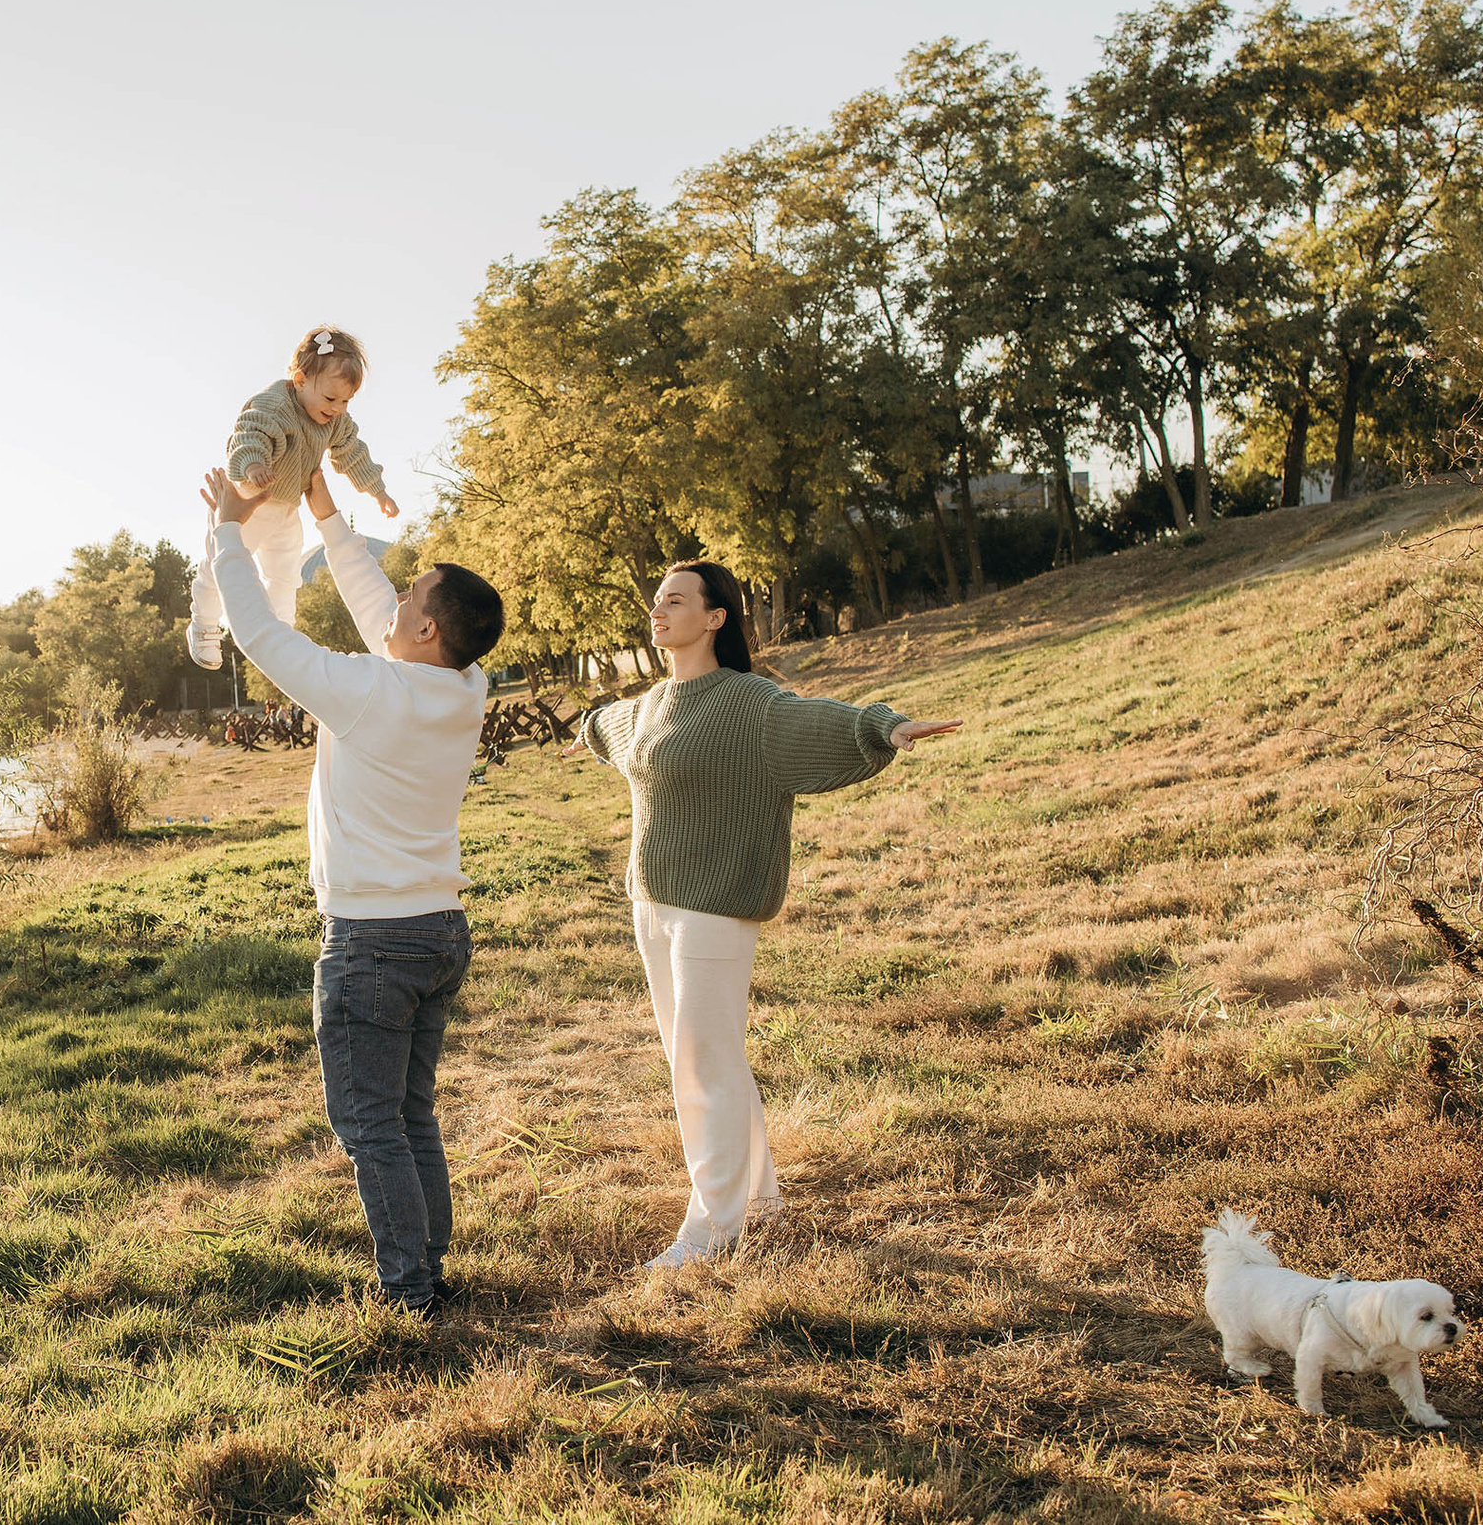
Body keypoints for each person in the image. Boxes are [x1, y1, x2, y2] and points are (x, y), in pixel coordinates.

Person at [565, 561, 960, 1269]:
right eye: (657, 601)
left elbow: (825, 721)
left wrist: (887, 728)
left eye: (677, 601)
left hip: (717, 905)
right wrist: (587, 729)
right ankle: (760, 1200)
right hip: (651, 905)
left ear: (716, 617)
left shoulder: (752, 703)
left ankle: (710, 1229)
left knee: (702, 1065)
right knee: (703, 1058)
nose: (659, 612)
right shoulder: (653, 703)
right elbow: (610, 727)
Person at [198, 461, 499, 1317]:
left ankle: (410, 1293)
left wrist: (227, 529)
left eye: (413, 597)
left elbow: (260, 633)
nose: (396, 602)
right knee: (409, 1114)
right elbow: (383, 621)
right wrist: (329, 516)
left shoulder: (370, 691)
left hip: (372, 941)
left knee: (372, 1125)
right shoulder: (463, 687)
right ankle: (429, 1270)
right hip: (438, 927)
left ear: (429, 629)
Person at [188, 326, 400, 670]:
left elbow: (352, 452)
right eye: (331, 399)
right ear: (300, 380)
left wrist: (378, 490)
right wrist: (253, 464)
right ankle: (204, 624)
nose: (338, 408)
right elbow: (250, 431)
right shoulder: (275, 404)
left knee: (286, 572)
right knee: (221, 563)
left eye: (346, 401)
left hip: (286, 507)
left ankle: (281, 633)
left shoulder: (335, 420)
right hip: (246, 500)